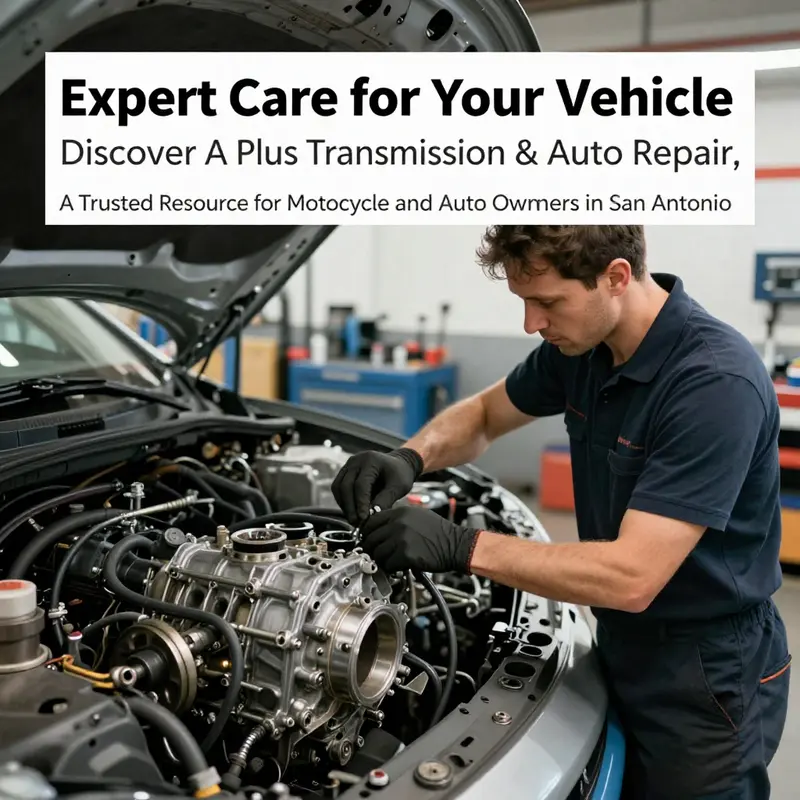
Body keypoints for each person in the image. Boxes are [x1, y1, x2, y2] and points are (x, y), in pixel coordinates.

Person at [330, 225, 792, 799]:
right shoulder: (581, 350)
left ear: (616, 277)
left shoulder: (712, 383)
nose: (531, 323)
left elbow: (632, 577)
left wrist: (461, 546)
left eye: (546, 302)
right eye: (524, 301)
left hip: (706, 673)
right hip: (623, 643)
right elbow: (482, 415)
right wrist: (410, 456)